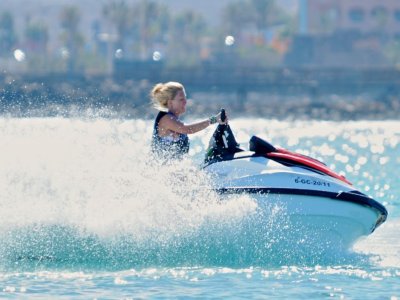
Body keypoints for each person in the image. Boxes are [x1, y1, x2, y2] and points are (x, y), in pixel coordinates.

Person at [150, 81, 227, 160]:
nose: (185, 102)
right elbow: (188, 129)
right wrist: (213, 120)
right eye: (181, 99)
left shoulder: (174, 120)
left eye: (185, 98)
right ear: (170, 103)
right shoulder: (165, 119)